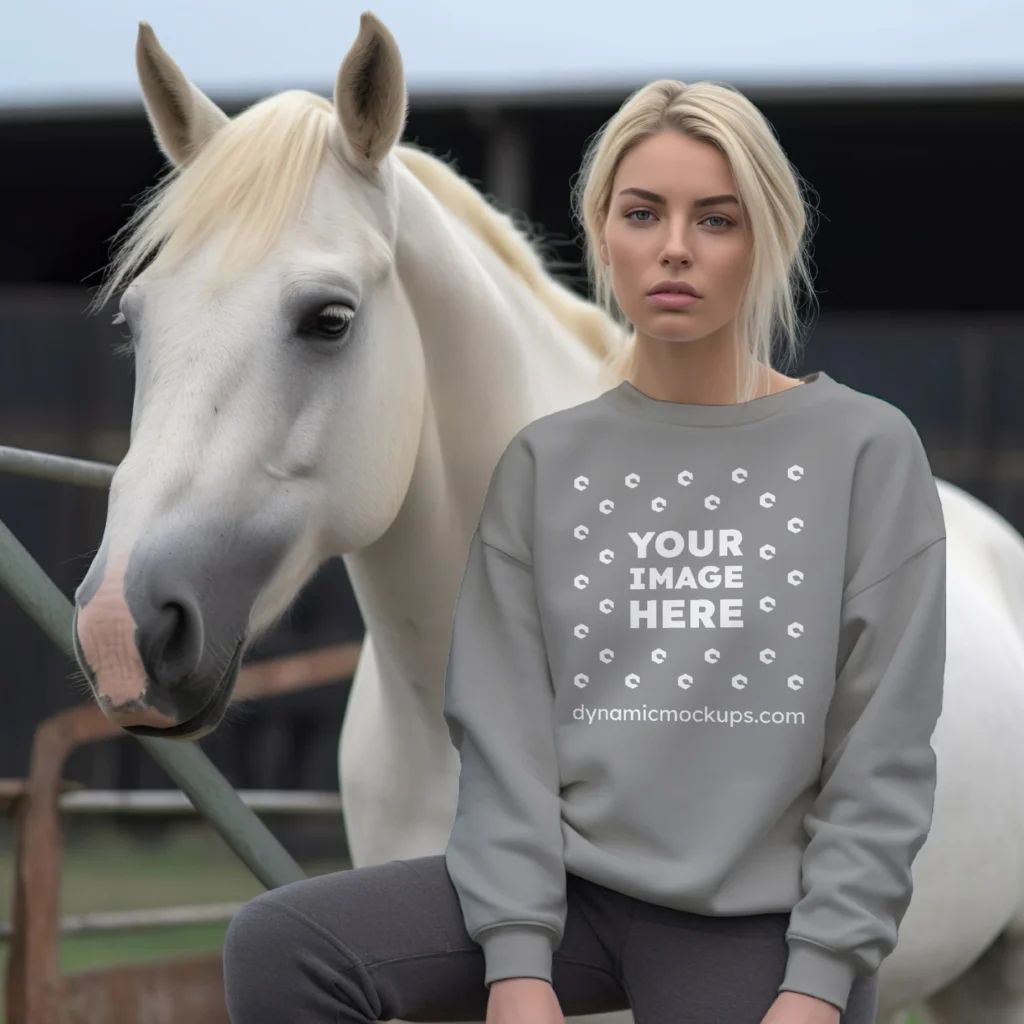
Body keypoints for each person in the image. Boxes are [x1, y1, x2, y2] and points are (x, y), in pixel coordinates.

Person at [222, 78, 946, 1024]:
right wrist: (519, 970)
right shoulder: (545, 462)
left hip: (757, 925)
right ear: (603, 228)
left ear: (766, 235)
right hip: (576, 901)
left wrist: (816, 986)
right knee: (280, 948)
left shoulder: (865, 450)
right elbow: (506, 737)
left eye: (716, 219)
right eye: (643, 213)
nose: (675, 247)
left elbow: (880, 758)